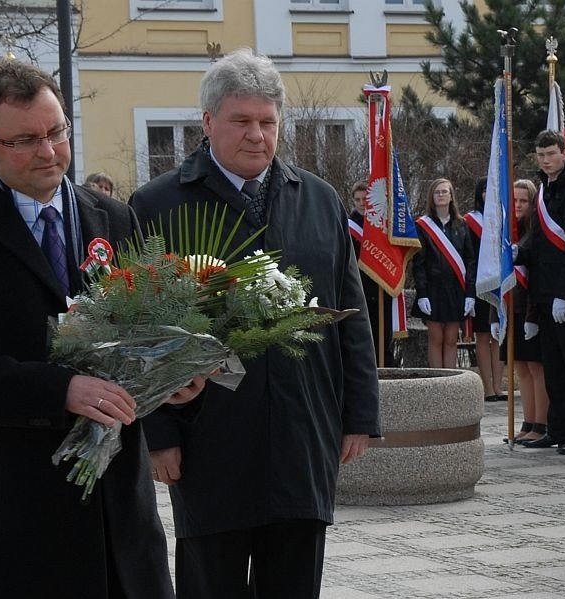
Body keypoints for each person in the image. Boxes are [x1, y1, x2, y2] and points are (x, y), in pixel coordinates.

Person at [0, 59, 203, 599]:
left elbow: (145, 332)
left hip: (121, 511)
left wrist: (172, 379)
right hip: (22, 509)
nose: (49, 152)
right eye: (24, 140)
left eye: (57, 132)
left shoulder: (117, 218)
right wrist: (61, 390)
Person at [129, 48, 380, 599]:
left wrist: (359, 413)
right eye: (241, 121)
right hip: (208, 439)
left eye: (268, 122)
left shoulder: (318, 198)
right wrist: (158, 436)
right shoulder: (158, 206)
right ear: (207, 122)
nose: (257, 135)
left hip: (303, 430)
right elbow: (141, 332)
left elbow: (349, 311)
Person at [514, 130, 565, 455]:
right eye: (541, 155)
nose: (546, 160)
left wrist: (564, 293)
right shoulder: (545, 188)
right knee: (553, 367)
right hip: (544, 291)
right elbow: (539, 240)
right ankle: (558, 427)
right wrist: (519, 253)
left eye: (551, 154)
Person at [497, 180, 548, 444]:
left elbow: (535, 276)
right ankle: (528, 422)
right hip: (511, 308)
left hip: (530, 310)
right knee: (521, 369)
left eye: (523, 201)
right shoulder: (509, 234)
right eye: (514, 201)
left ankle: (541, 423)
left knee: (536, 368)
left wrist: (531, 316)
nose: (517, 206)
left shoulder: (535, 234)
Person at [412, 178, 476, 368]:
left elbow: (470, 260)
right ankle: (437, 381)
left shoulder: (462, 225)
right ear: (431, 197)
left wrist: (470, 293)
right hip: (432, 289)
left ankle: (449, 383)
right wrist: (422, 293)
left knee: (451, 340)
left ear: (451, 196)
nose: (440, 195)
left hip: (456, 289)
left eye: (444, 192)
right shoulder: (423, 226)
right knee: (436, 339)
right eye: (437, 192)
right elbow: (419, 263)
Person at [466, 176, 505, 401]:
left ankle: (498, 386)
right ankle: (487, 387)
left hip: (501, 284)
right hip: (481, 284)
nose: (486, 194)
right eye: (483, 190)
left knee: (498, 335)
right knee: (483, 335)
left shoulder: (503, 218)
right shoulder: (470, 221)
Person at [348, 180, 395, 366]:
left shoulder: (381, 225)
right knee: (364, 334)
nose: (361, 203)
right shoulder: (348, 226)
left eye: (364, 199)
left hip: (381, 286)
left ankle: (386, 368)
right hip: (360, 287)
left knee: (384, 336)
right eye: (357, 199)